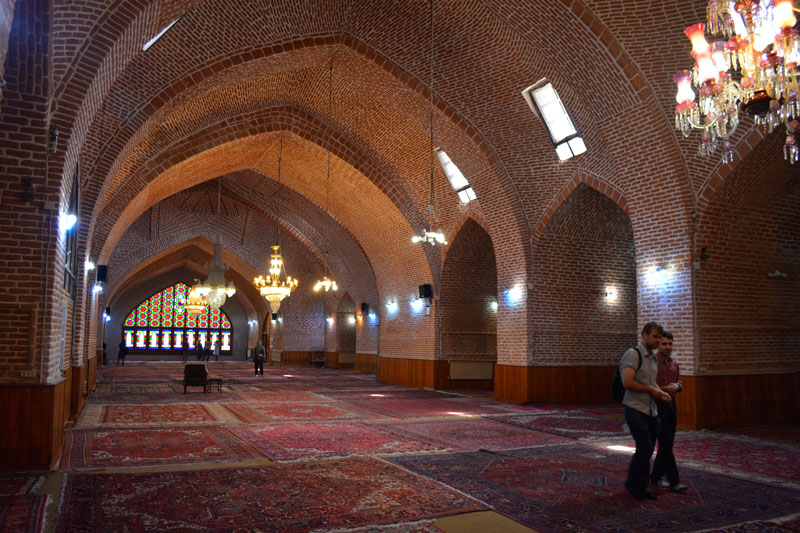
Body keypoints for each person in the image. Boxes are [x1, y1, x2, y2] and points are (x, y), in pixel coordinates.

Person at [620, 321, 671, 501]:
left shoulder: (652, 358)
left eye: (659, 337)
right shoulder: (633, 355)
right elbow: (627, 383)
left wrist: (661, 392)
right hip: (635, 408)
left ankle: (636, 484)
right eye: (655, 336)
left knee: (647, 450)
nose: (658, 340)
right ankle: (636, 486)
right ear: (645, 336)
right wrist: (652, 391)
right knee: (645, 447)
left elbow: (651, 382)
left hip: (651, 409)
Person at [650, 331, 689, 492]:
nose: (668, 347)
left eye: (670, 344)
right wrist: (666, 389)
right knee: (666, 442)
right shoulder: (652, 363)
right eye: (664, 344)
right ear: (658, 345)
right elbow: (649, 385)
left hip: (671, 405)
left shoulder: (674, 364)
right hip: (657, 406)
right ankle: (674, 480)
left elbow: (679, 382)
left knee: (668, 442)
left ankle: (656, 476)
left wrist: (677, 387)